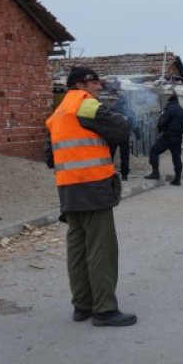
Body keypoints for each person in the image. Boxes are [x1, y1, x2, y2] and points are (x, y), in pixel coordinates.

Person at [45, 66, 136, 327]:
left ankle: (82, 305)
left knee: (78, 248)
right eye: (96, 82)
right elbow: (119, 128)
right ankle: (104, 309)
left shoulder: (58, 112)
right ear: (83, 83)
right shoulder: (84, 104)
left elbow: (49, 156)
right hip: (93, 187)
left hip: (68, 190)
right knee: (101, 248)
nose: (99, 87)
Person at [145, 93, 183, 185]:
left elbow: (162, 122)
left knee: (154, 151)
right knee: (176, 157)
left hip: (168, 136)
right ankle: (177, 179)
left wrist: (159, 128)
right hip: (179, 137)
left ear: (169, 100)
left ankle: (155, 173)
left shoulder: (169, 109)